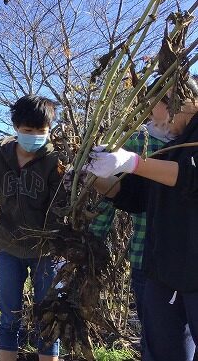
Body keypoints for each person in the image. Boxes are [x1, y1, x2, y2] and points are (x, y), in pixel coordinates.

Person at [85, 78, 198, 361]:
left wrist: (133, 162)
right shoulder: (173, 143)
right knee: (162, 351)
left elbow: (191, 176)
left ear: (183, 102)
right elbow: (138, 198)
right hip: (163, 269)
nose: (151, 118)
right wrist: (100, 176)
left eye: (154, 109)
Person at [0, 95, 63, 361]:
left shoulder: (55, 160)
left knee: (47, 315)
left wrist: (62, 250)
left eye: (41, 132)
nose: (35, 136)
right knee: (9, 315)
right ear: (15, 127)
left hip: (45, 251)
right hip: (9, 246)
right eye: (28, 131)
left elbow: (61, 209)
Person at [87, 122, 168, 350]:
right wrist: (91, 242)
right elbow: (113, 196)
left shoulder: (189, 141)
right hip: (147, 257)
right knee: (154, 340)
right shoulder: (138, 140)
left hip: (187, 263)